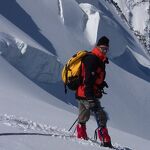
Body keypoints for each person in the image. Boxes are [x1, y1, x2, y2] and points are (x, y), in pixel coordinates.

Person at [75, 36, 112, 147]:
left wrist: (100, 84)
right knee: (101, 115)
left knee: (83, 115)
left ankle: (81, 134)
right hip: (87, 93)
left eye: (106, 49)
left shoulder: (97, 59)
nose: (104, 51)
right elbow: (88, 81)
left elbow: (92, 78)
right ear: (98, 47)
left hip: (81, 92)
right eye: (102, 48)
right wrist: (90, 98)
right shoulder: (92, 59)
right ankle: (105, 139)